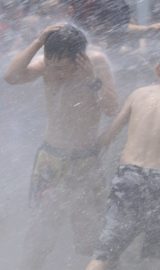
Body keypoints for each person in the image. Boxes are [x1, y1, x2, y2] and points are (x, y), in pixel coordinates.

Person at [3, 24, 118, 270]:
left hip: (86, 160)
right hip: (51, 160)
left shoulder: (96, 63)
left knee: (91, 238)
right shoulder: (46, 63)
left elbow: (111, 109)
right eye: (51, 65)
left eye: (62, 67)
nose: (56, 72)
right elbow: (11, 77)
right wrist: (37, 41)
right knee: (39, 236)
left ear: (79, 59)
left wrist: (92, 82)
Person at [85, 43, 160, 270]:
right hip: (159, 180)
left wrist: (86, 160)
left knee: (106, 252)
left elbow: (108, 135)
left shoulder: (138, 94)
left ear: (159, 69)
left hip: (127, 177)